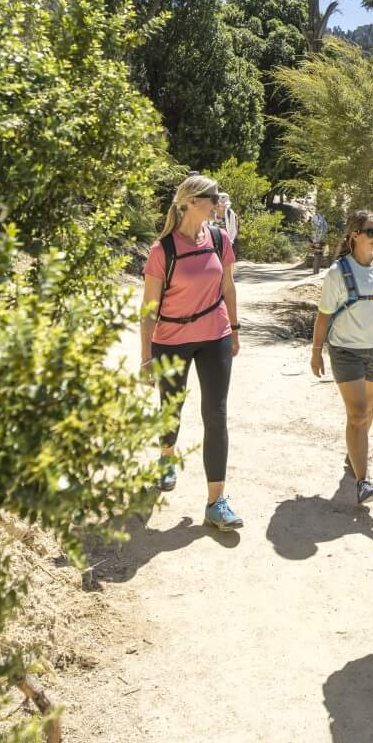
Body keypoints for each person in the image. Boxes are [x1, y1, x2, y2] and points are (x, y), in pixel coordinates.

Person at [141, 174, 244, 531]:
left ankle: (216, 502)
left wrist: (235, 329)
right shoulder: (163, 250)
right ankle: (166, 458)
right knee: (172, 406)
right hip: (171, 340)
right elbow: (149, 311)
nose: (219, 203)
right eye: (213, 198)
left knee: (216, 414)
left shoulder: (218, 239)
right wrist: (146, 358)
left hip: (215, 335)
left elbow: (228, 286)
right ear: (192, 202)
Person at [310, 208, 373, 504]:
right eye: (371, 232)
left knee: (366, 412)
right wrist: (316, 352)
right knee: (357, 413)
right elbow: (324, 316)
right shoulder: (337, 273)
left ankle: (354, 454)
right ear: (355, 234)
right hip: (346, 351)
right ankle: (364, 481)